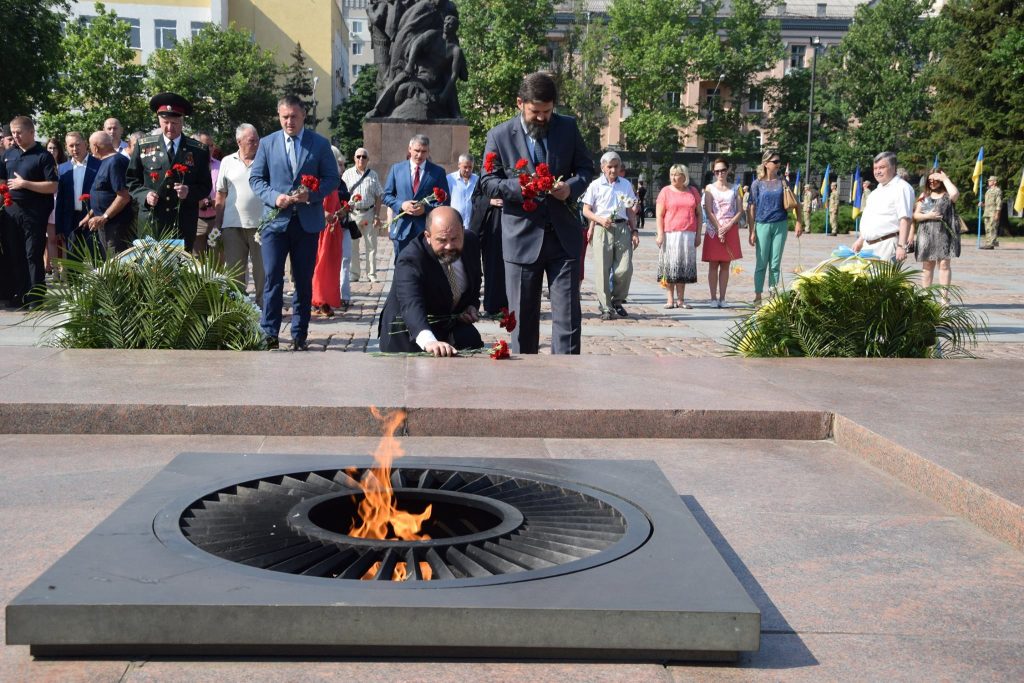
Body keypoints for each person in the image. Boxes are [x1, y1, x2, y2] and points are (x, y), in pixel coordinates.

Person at [479, 71, 594, 354]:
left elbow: (585, 169)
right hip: (521, 239)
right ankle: (525, 388)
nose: (542, 118)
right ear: (520, 103)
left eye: (547, 111)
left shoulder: (568, 128)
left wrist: (570, 187)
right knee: (522, 322)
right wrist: (522, 188)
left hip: (563, 238)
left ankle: (565, 382)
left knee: (568, 320)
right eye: (535, 112)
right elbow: (487, 182)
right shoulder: (500, 135)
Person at [249, 94, 341, 351]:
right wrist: (274, 197)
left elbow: (332, 179)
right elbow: (256, 179)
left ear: (303, 116)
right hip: (275, 223)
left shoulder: (319, 144)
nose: (289, 121)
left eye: (294, 116)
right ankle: (270, 333)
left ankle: (299, 333)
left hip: (306, 223)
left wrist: (311, 195)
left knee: (302, 281)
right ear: (279, 116)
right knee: (272, 280)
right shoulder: (267, 144)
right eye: (284, 117)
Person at [378, 206, 483, 356]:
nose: (449, 246)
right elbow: (411, 304)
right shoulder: (411, 259)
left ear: (462, 230)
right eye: (442, 240)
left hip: (446, 323)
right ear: (428, 236)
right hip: (408, 333)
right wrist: (429, 341)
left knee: (471, 340)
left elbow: (475, 280)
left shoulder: (471, 242)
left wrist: (471, 306)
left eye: (455, 239)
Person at [125, 92, 212, 250]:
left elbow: (205, 186)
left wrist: (189, 191)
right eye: (165, 122)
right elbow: (132, 180)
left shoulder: (198, 150)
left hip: (182, 222)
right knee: (151, 271)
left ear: (182, 120)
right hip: (152, 221)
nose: (170, 127)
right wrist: (145, 195)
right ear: (159, 120)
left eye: (175, 123)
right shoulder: (143, 145)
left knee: (180, 269)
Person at [0, 116, 59, 308]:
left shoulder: (43, 156)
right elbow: (2, 179)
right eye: (13, 133)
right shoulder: (9, 154)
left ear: (31, 132)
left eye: (19, 132)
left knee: (32, 254)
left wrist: (25, 184)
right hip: (11, 211)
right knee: (14, 253)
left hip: (34, 212)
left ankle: (36, 297)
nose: (15, 136)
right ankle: (20, 293)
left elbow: (52, 186)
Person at [582, 151, 638, 319]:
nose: (613, 170)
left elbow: (630, 211)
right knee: (602, 270)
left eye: (616, 166)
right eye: (610, 167)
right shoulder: (595, 185)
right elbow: (586, 210)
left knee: (625, 268)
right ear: (603, 167)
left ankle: (617, 299)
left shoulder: (626, 185)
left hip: (622, 228)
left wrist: (634, 230)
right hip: (602, 229)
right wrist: (598, 220)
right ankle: (606, 306)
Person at [214, 123, 266, 307]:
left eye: (257, 140)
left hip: (261, 226)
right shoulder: (227, 161)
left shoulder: (264, 159)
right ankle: (239, 310)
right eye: (252, 141)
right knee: (235, 273)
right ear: (239, 141)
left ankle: (263, 309)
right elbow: (221, 194)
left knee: (263, 272)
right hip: (232, 226)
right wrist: (216, 224)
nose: (256, 144)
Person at [747, 149, 803, 305]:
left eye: (779, 162)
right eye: (775, 162)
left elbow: (796, 203)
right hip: (762, 225)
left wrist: (799, 222)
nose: (779, 164)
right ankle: (758, 295)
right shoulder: (756, 184)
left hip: (780, 224)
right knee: (761, 262)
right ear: (766, 164)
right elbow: (751, 208)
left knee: (775, 262)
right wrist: (751, 231)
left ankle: (773, 294)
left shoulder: (783, 182)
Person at [383, 134, 449, 257]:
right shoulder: (396, 169)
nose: (419, 155)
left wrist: (426, 209)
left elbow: (444, 201)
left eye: (424, 151)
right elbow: (386, 196)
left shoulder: (438, 172)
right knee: (402, 269)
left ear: (428, 151)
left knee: (425, 269)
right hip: (402, 229)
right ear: (410, 149)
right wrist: (401, 205)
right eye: (417, 151)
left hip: (426, 230)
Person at [852, 151, 915, 263]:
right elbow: (871, 218)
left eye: (882, 167)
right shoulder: (876, 191)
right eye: (875, 168)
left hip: (886, 245)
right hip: (867, 246)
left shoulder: (902, 188)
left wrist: (901, 246)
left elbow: (905, 219)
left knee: (881, 280)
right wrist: (861, 240)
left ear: (893, 167)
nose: (877, 171)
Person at [311, 147, 351, 317]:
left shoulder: (333, 181)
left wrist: (343, 211)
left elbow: (335, 206)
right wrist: (323, 213)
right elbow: (309, 202)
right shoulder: (316, 179)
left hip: (333, 229)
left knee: (333, 267)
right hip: (319, 229)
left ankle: (327, 300)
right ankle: (318, 301)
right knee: (320, 266)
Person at [655, 164, 701, 309]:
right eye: (672, 174)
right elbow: (659, 215)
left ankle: (681, 299)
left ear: (684, 176)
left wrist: (698, 234)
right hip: (671, 233)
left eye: (677, 174)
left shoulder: (692, 191)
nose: (674, 177)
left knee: (683, 267)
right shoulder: (665, 192)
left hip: (688, 234)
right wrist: (660, 234)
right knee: (671, 266)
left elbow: (699, 214)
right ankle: (670, 299)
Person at [912, 168, 960, 302]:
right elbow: (916, 215)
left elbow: (955, 194)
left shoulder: (947, 195)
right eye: (930, 180)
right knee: (927, 266)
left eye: (936, 180)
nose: (932, 182)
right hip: (926, 234)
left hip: (944, 234)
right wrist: (928, 215)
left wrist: (945, 178)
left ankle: (944, 298)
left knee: (944, 265)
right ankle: (926, 297)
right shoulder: (924, 195)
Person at [702, 158, 743, 308]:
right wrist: (719, 227)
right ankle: (713, 297)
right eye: (717, 171)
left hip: (730, 229)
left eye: (723, 170)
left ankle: (723, 298)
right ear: (714, 172)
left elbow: (740, 210)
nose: (720, 173)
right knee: (713, 264)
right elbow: (708, 210)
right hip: (714, 230)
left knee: (725, 265)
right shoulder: (709, 188)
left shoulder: (735, 188)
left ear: (728, 171)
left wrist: (729, 225)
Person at [83, 131, 132, 254]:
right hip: (105, 224)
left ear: (95, 147)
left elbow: (123, 196)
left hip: (115, 225)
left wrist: (104, 217)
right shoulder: (105, 161)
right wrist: (90, 215)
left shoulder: (116, 162)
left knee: (117, 265)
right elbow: (103, 192)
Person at [54, 131, 100, 259]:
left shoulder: (99, 164)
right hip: (71, 220)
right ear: (66, 147)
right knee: (73, 261)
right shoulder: (62, 168)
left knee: (96, 258)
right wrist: (59, 227)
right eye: (71, 146)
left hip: (92, 217)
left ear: (85, 144)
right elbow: (60, 200)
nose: (75, 149)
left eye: (78, 145)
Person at [342, 147, 384, 283]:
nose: (361, 159)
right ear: (354, 158)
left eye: (364, 157)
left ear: (368, 160)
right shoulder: (347, 174)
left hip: (369, 213)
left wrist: (377, 215)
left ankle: (371, 274)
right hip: (353, 215)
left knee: (371, 246)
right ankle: (354, 274)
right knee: (353, 246)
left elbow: (379, 196)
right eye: (358, 156)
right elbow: (341, 195)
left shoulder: (373, 175)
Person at [193, 132, 222, 256]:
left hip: (216, 220)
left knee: (216, 262)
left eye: (211, 145)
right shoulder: (190, 165)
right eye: (206, 145)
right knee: (196, 263)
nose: (210, 149)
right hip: (196, 220)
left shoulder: (220, 165)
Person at [44, 138, 67, 274]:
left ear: (59, 150)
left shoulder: (64, 166)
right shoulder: (43, 164)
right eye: (49, 148)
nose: (52, 151)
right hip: (49, 204)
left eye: (54, 148)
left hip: (62, 204)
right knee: (51, 239)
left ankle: (64, 270)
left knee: (63, 238)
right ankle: (54, 271)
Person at [447, 153, 477, 226]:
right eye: (465, 167)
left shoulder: (477, 180)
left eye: (470, 167)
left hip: (472, 222)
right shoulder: (450, 178)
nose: (467, 170)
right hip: (454, 221)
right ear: (459, 165)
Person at [980, 176, 1001, 249]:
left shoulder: (997, 190)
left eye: (990, 180)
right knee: (987, 228)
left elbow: (998, 202)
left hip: (993, 212)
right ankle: (988, 243)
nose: (989, 182)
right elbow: (988, 202)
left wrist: (997, 213)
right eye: (989, 181)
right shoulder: (988, 191)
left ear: (995, 182)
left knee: (993, 228)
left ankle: (991, 244)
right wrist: (982, 204)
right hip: (987, 212)